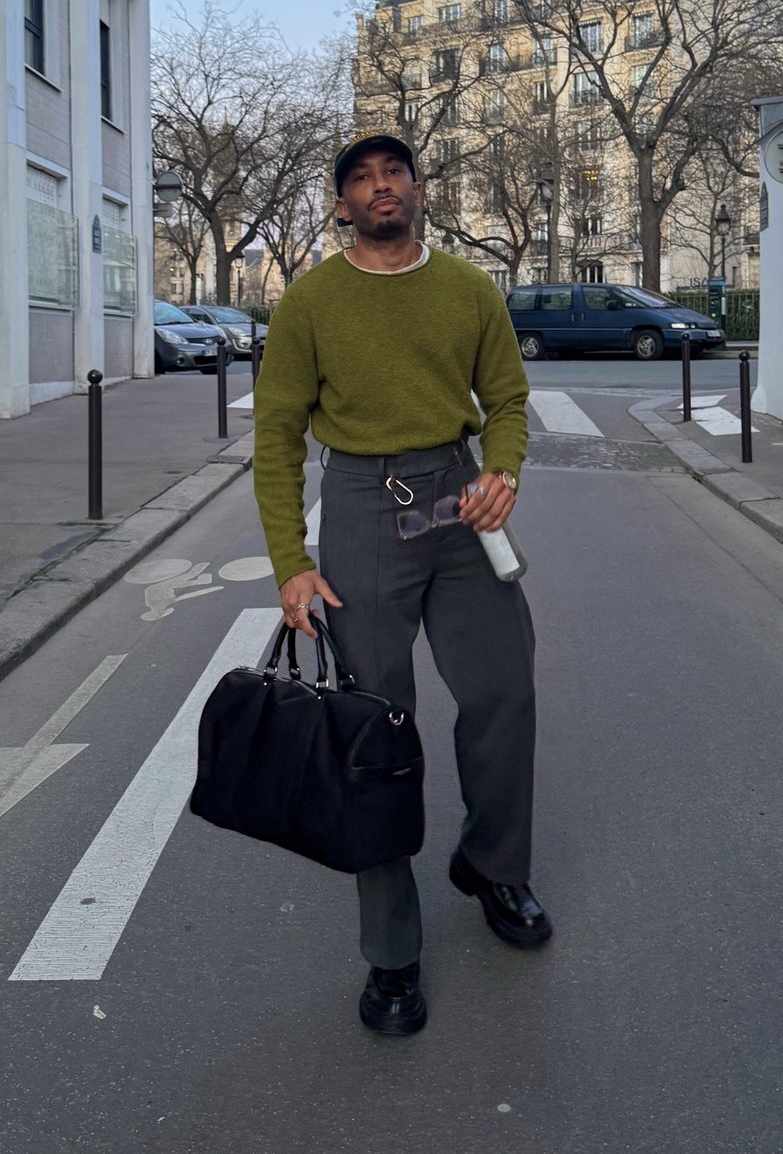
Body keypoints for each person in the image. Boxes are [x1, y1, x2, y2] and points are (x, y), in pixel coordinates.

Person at [253, 131, 551, 1036]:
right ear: (343, 204)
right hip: (359, 505)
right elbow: (276, 437)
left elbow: (507, 399)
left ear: (418, 189)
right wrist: (291, 563)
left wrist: (503, 469)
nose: (380, 186)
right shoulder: (311, 303)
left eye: (394, 172)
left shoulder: (468, 289)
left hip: (459, 500)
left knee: (503, 692)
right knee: (375, 726)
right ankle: (391, 950)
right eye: (361, 179)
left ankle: (493, 865)